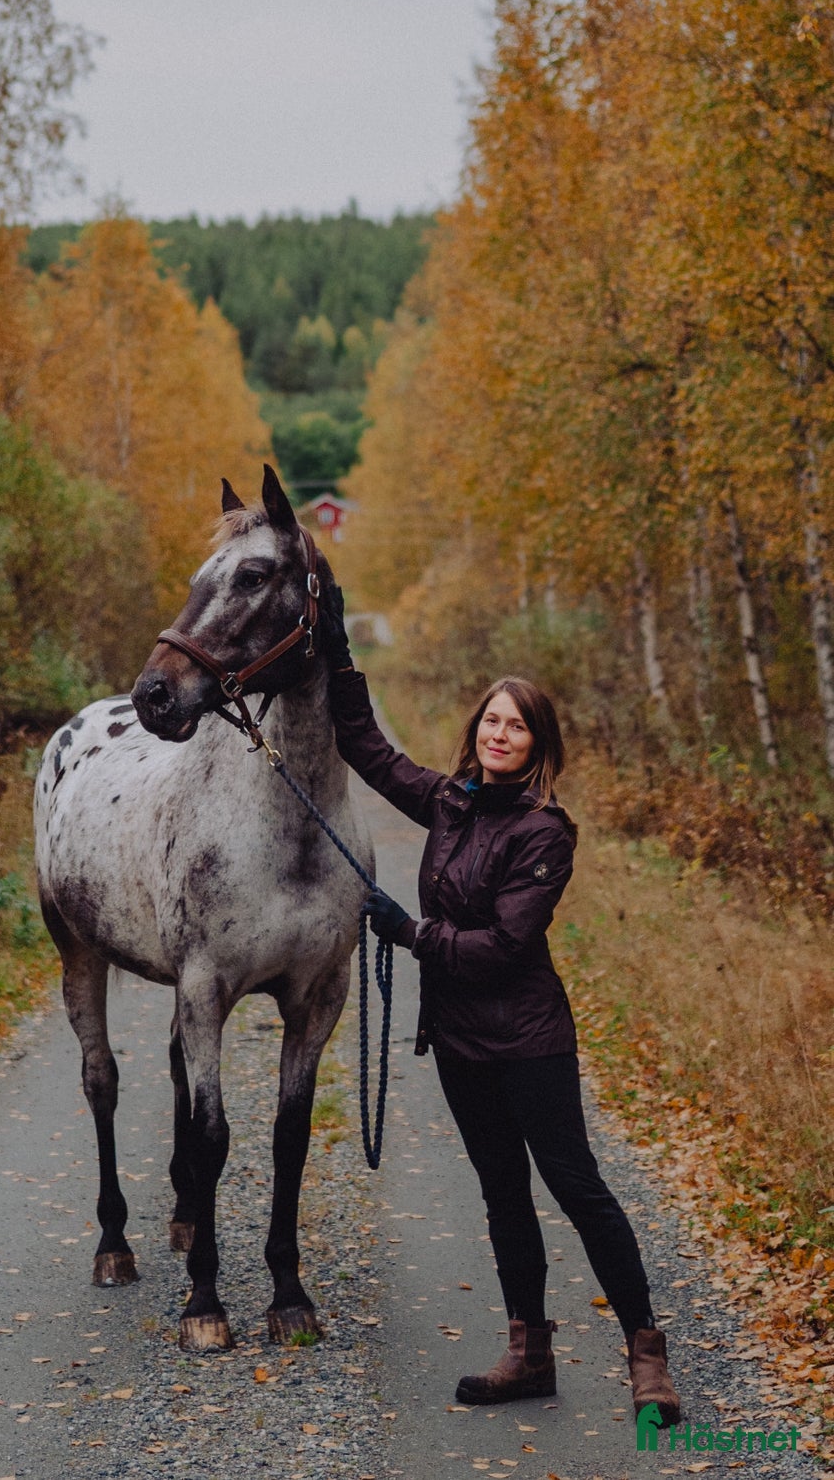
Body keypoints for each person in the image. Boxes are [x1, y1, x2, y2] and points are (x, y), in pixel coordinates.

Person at [318, 582, 681, 1425]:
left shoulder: (545, 832)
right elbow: (369, 749)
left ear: (537, 744)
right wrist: (338, 655)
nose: (498, 733)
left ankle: (646, 1355)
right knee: (501, 1194)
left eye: (516, 725)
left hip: (529, 1040)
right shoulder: (451, 802)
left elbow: (505, 948)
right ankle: (530, 1353)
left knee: (577, 1187)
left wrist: (408, 934)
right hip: (459, 1040)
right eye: (491, 720)